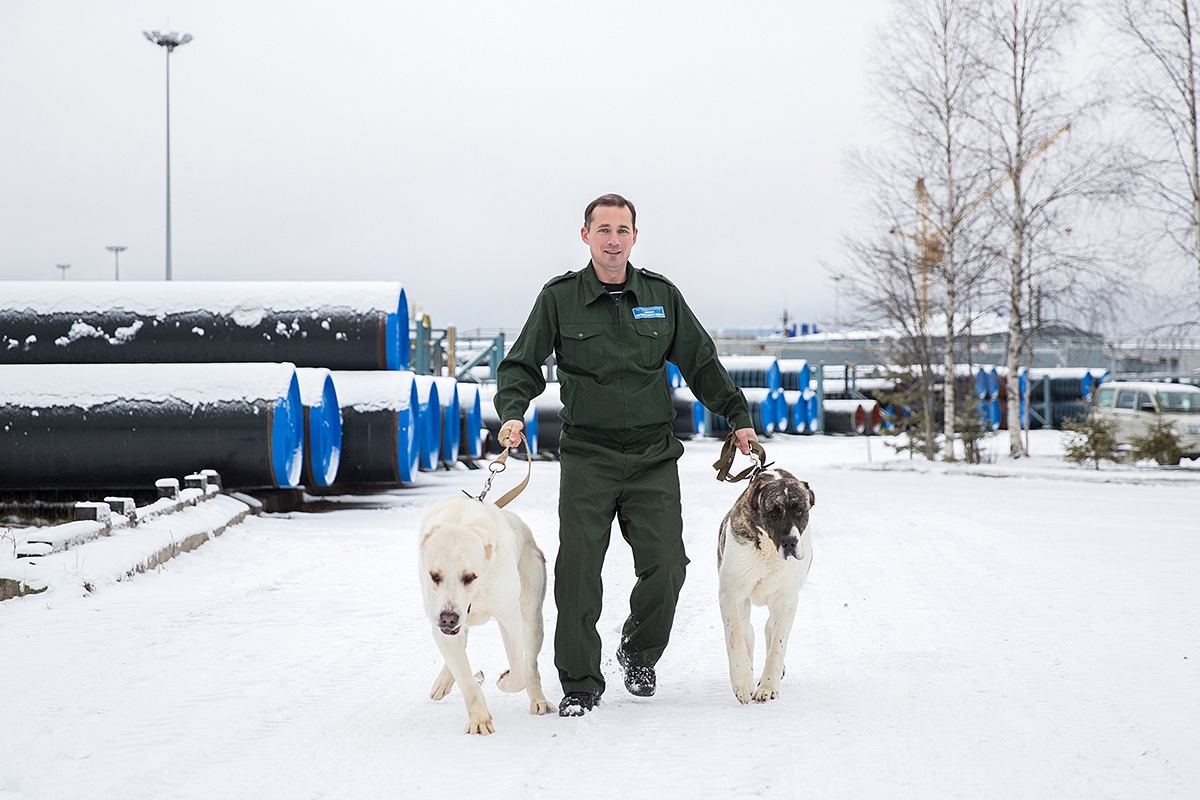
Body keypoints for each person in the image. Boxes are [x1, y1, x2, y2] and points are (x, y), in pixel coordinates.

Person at [494, 193, 757, 717]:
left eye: (622, 230)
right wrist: (512, 411)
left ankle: (638, 654)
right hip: (588, 454)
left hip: (652, 456)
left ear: (634, 237)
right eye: (603, 230)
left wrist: (738, 416)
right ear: (585, 235)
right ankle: (581, 683)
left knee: (667, 566)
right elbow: (521, 364)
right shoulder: (559, 299)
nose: (612, 240)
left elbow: (701, 362)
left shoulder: (661, 294)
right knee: (577, 571)